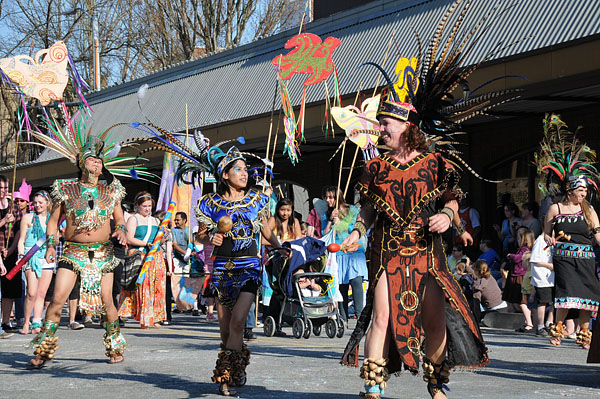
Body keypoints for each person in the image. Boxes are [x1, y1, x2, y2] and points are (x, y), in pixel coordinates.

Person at [340, 82, 487, 398]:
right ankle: (372, 386)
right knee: (381, 317)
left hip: (426, 254)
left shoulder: (436, 164)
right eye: (379, 122)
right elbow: (367, 209)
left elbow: (451, 200)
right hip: (387, 251)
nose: (380, 129)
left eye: (385, 123)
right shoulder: (375, 167)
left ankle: (436, 384)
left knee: (434, 322)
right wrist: (356, 231)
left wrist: (447, 216)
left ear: (407, 126)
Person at [27, 133, 128, 368]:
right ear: (82, 162)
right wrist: (51, 245)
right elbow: (53, 222)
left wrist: (121, 230)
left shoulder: (112, 190)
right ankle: (43, 349)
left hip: (103, 253)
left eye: (100, 160)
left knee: (108, 302)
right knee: (57, 299)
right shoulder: (65, 189)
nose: (97, 163)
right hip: (73, 252)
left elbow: (120, 218)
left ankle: (114, 346)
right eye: (92, 159)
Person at [192, 144, 286, 396]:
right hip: (222, 269)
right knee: (224, 330)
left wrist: (279, 247)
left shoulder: (257, 199)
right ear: (225, 175)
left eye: (246, 170)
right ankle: (237, 366)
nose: (245, 174)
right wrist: (211, 237)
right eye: (239, 170)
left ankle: (226, 377)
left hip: (249, 268)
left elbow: (265, 229)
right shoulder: (210, 203)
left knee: (237, 323)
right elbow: (199, 236)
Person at [535, 114, 600, 351]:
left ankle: (585, 336)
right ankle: (558, 332)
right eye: (579, 189)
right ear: (570, 190)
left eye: (585, 190)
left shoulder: (589, 209)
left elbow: (597, 233)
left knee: (586, 299)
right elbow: (545, 233)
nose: (583, 193)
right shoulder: (556, 208)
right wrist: (549, 237)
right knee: (565, 295)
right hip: (564, 258)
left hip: (586, 258)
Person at [118, 192, 166, 329]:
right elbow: (129, 238)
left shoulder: (156, 220)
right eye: (144, 206)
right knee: (143, 287)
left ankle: (157, 317)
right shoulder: (134, 219)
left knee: (157, 286)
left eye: (150, 206)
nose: (147, 209)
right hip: (140, 255)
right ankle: (144, 318)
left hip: (155, 256)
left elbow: (159, 239)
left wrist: (161, 238)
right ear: (138, 206)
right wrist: (145, 244)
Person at [324, 189, 368, 321]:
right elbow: (324, 232)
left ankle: (360, 316)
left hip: (353, 250)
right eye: (326, 197)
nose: (328, 200)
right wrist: (331, 220)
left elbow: (356, 229)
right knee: (341, 284)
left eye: (331, 197)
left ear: (339, 197)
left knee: (356, 281)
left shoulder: (352, 210)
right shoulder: (327, 213)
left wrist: (341, 222)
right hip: (338, 252)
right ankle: (343, 318)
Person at [17, 190, 54, 335]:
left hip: (46, 258)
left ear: (47, 203)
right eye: (36, 202)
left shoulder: (52, 220)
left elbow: (54, 240)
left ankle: (37, 322)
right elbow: (21, 240)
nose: (38, 205)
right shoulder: (27, 218)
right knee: (31, 292)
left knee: (41, 293)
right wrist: (21, 255)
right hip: (30, 257)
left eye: (41, 202)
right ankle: (26, 321)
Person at [0, 175, 23, 332]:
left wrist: (12, 249)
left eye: (5, 188)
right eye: (0, 188)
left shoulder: (14, 207)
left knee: (10, 288)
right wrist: (3, 221)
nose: (3, 191)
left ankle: (6, 320)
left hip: (10, 252)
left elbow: (20, 230)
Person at [503, 228, 535, 332]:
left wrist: (511, 256)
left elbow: (518, 259)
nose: (517, 240)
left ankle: (529, 323)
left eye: (518, 238)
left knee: (522, 301)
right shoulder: (528, 249)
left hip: (521, 276)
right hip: (520, 275)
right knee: (521, 301)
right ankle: (527, 321)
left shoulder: (524, 250)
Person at [529, 233, 554, 336]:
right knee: (543, 302)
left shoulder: (553, 240)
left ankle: (549, 323)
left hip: (552, 277)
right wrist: (549, 265)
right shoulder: (540, 240)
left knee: (553, 302)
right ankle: (540, 326)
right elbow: (534, 260)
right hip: (543, 277)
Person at [156, 210, 174, 325]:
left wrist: (170, 269)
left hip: (163, 261)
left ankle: (165, 315)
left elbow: (168, 251)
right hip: (158, 260)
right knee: (160, 290)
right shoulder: (155, 232)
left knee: (164, 290)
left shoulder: (167, 234)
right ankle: (161, 315)